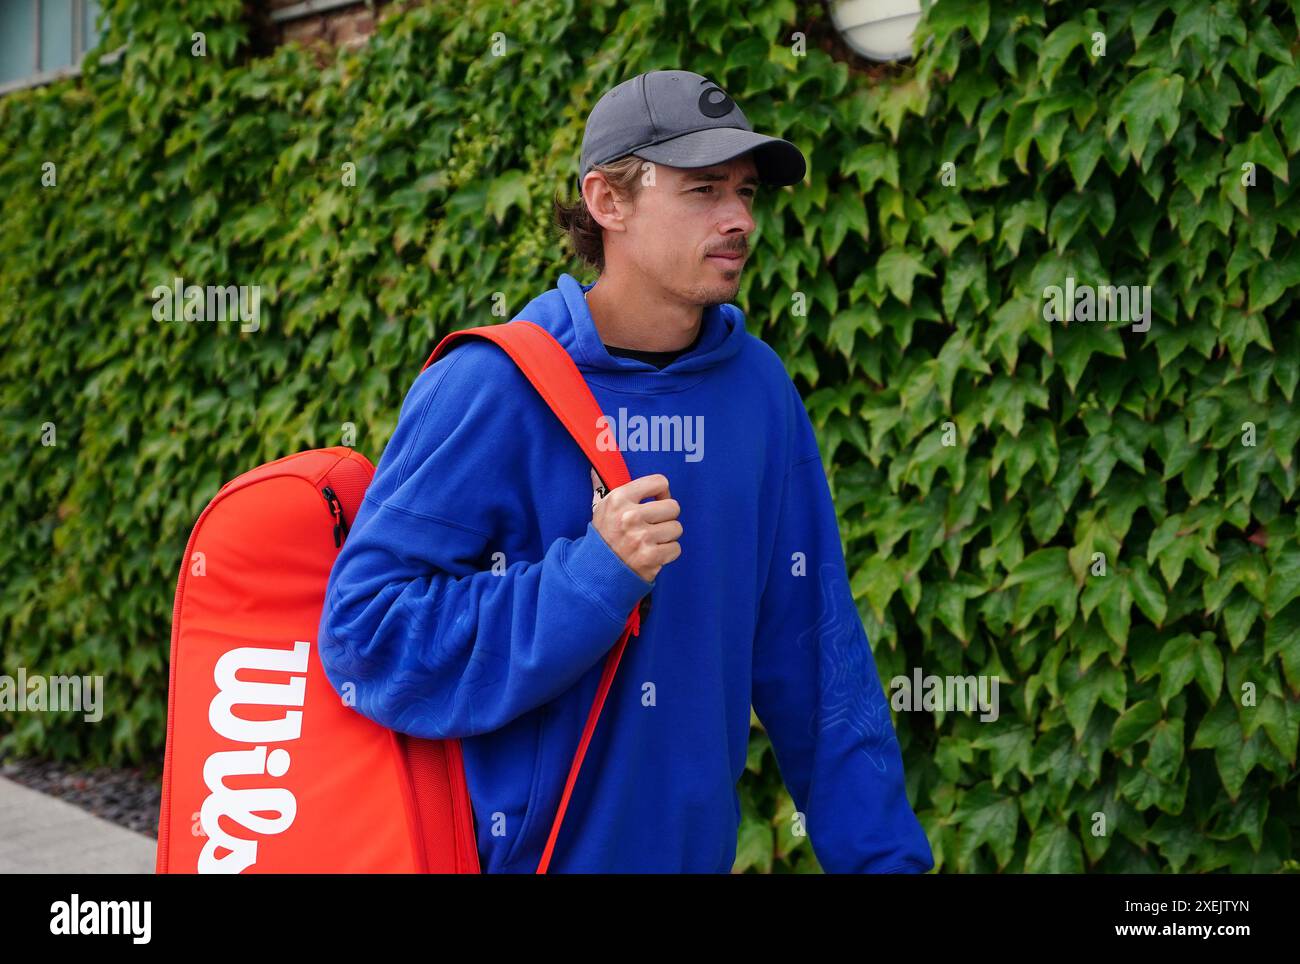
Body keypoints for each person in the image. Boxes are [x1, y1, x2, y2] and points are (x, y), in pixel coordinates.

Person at [318, 69, 934, 874]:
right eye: (704, 189)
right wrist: (588, 579)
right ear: (607, 201)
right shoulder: (492, 386)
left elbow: (817, 656)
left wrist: (884, 861)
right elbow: (366, 633)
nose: (740, 218)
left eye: (746, 192)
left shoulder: (759, 394)